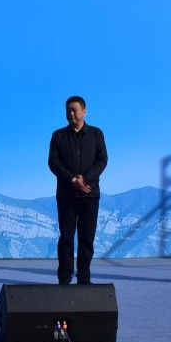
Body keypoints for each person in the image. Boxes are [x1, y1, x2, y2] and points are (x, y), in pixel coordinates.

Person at [47, 96, 108, 285]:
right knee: (66, 238)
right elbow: (53, 162)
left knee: (86, 239)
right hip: (66, 195)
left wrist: (85, 178)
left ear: (84, 111)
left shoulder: (96, 134)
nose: (71, 113)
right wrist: (72, 179)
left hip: (90, 194)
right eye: (68, 110)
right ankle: (64, 278)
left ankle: (84, 278)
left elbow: (102, 160)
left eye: (74, 109)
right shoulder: (58, 136)